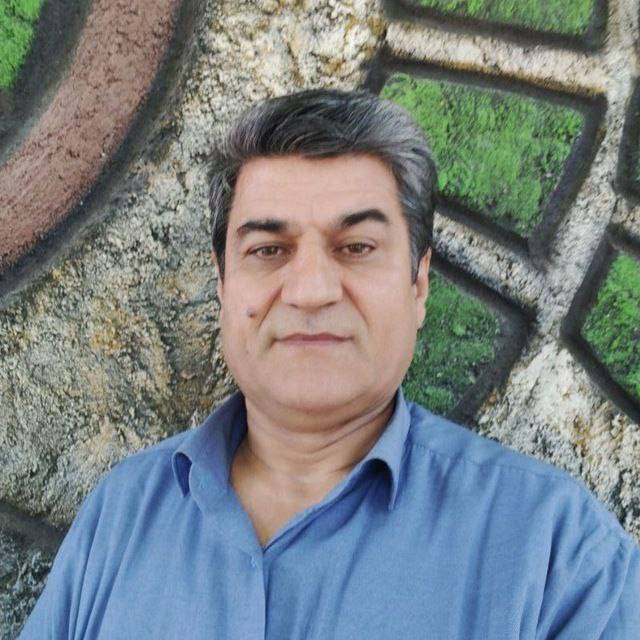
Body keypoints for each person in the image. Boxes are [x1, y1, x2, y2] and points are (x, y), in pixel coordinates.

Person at [19, 88, 640, 639]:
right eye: (269, 249)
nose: (310, 290)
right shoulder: (124, 512)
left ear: (419, 284)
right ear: (223, 285)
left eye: (356, 247)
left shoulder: (555, 551)